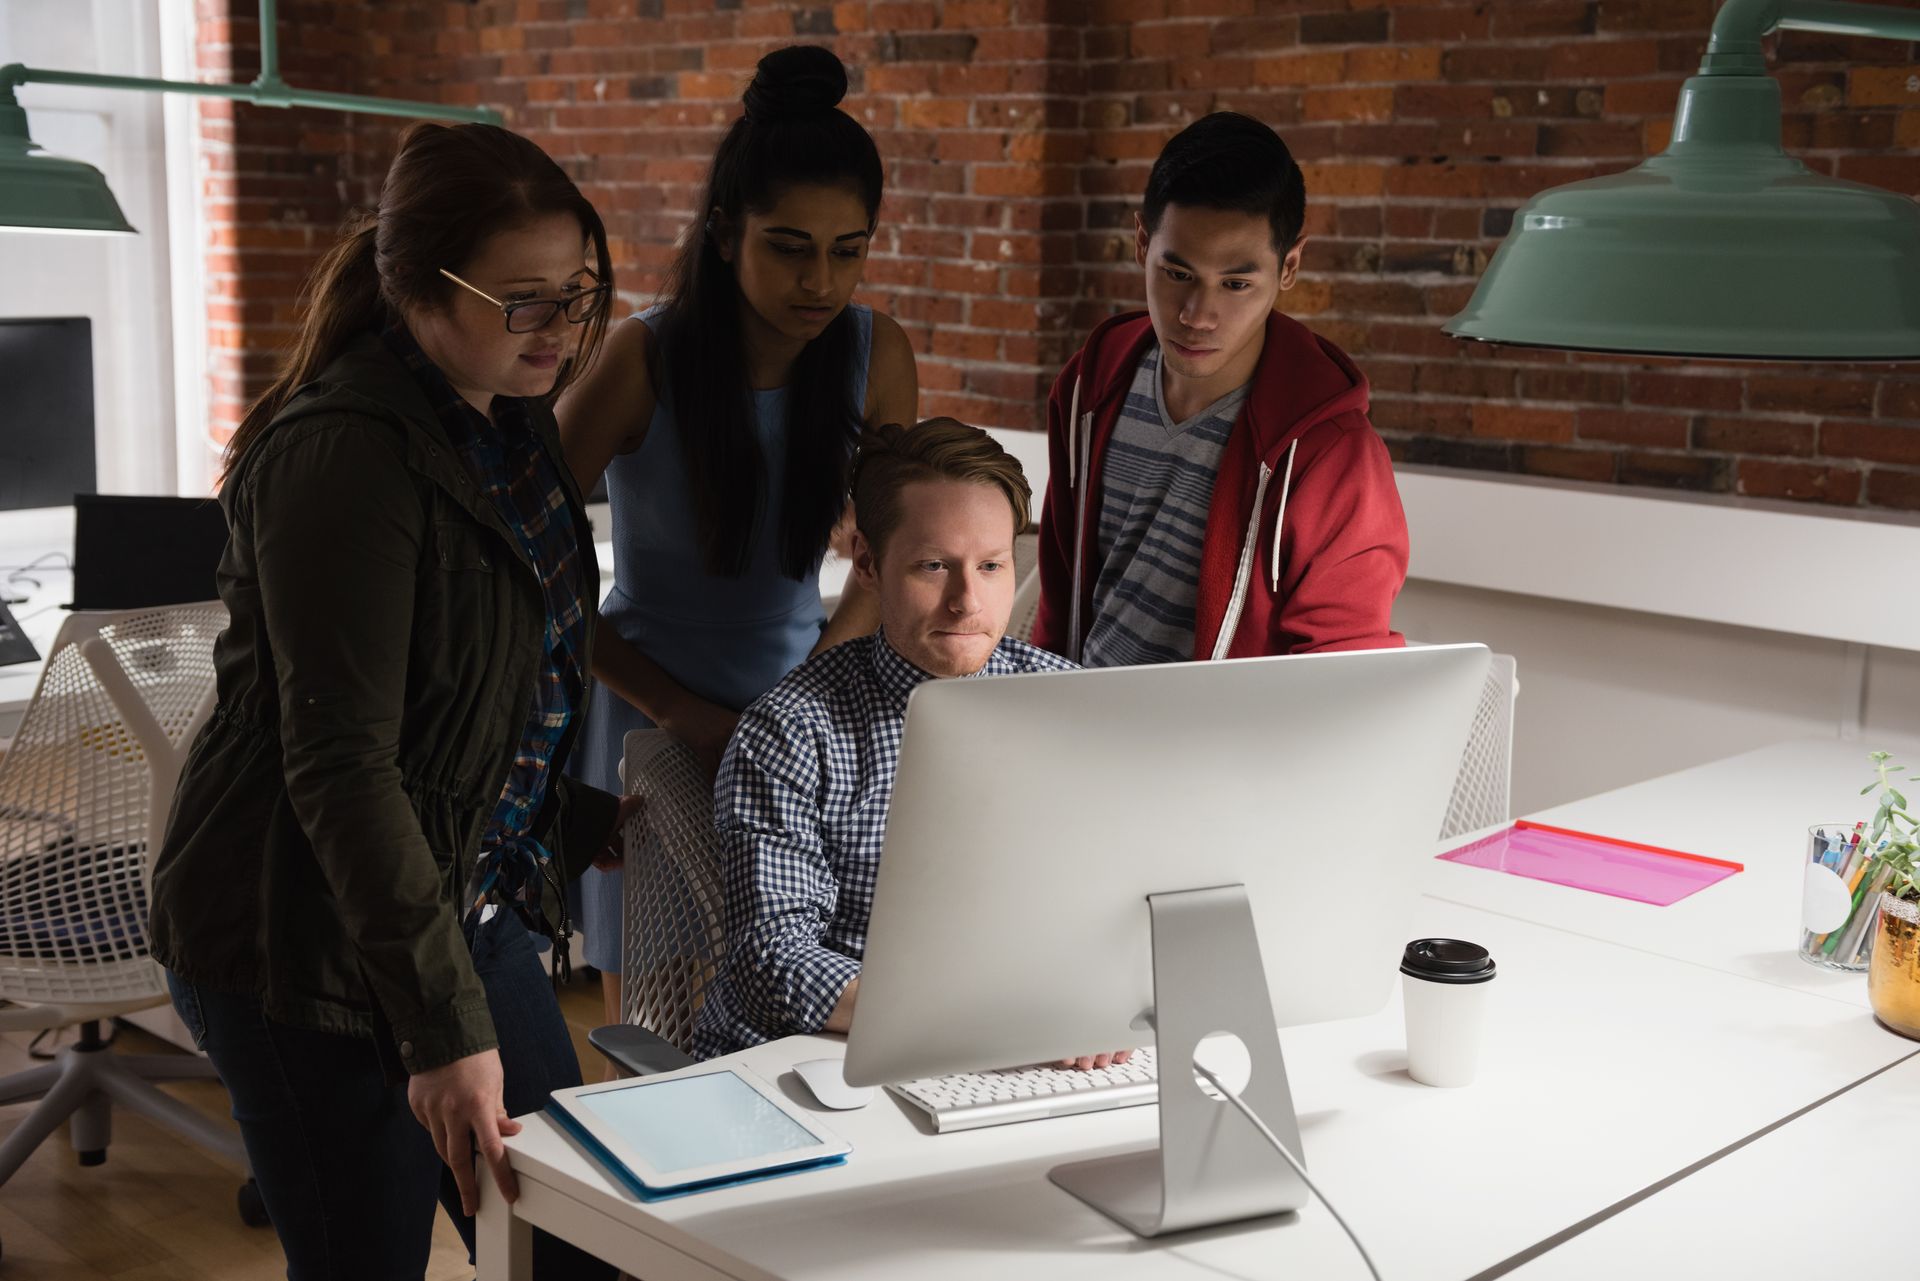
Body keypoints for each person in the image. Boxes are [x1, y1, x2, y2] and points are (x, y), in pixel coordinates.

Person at [149, 123, 629, 1280]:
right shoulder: (344, 457)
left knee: (575, 1249)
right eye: (524, 301)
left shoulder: (510, 429)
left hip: (461, 909)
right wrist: (442, 1032)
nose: (561, 331)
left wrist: (574, 823)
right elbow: (345, 763)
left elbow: (492, 681)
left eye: (578, 294)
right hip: (302, 944)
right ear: (414, 283)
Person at [557, 44, 917, 1032]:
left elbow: (895, 557)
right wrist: (675, 707)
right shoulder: (643, 356)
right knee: (656, 1031)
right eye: (790, 245)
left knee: (799, 995)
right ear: (725, 234)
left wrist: (800, 700)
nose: (821, 280)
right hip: (644, 710)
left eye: (849, 250)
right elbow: (519, 565)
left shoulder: (873, 351)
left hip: (802, 709)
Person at [689, 419, 1125, 1064]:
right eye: (932, 566)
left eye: (991, 566)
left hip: (1016, 1053)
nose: (966, 602)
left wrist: (1097, 999)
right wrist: (990, 1022)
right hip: (813, 1061)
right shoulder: (791, 730)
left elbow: (1120, 901)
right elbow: (773, 961)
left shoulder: (1076, 709)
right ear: (867, 562)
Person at [1033, 111, 1409, 668]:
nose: (1197, 316)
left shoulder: (1333, 452)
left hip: (1222, 750)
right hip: (1076, 727)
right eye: (1178, 274)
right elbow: (1060, 595)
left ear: (1290, 266)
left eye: (1235, 284)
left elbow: (1342, 671)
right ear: (1142, 243)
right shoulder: (1090, 386)